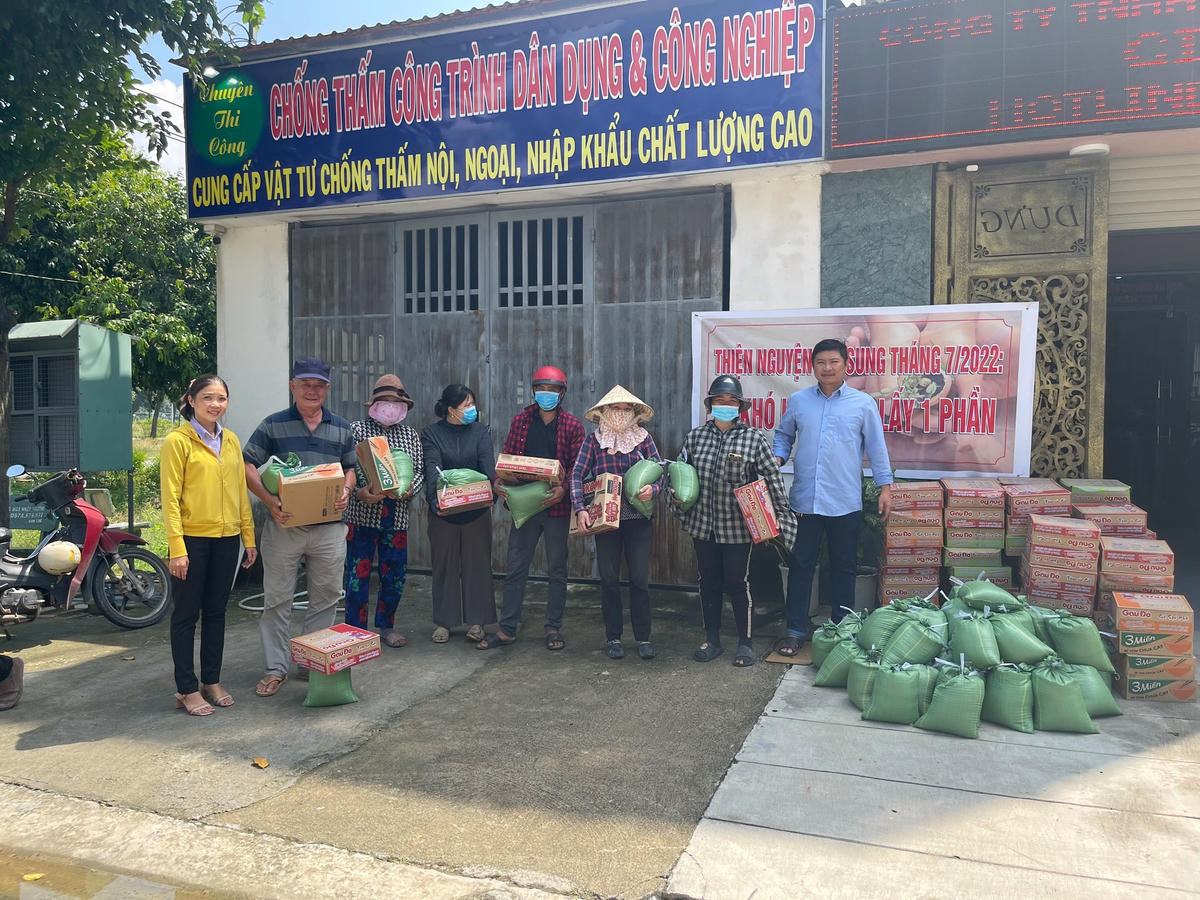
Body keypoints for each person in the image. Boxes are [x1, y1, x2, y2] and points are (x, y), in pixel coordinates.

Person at [772, 338, 893, 661]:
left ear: (845, 365)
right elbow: (784, 435)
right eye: (821, 362)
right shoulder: (798, 402)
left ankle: (843, 629)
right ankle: (796, 631)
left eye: (834, 362)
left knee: (844, 566)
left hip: (845, 501)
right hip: (805, 502)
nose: (827, 368)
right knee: (800, 566)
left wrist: (885, 487)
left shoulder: (862, 403)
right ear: (812, 367)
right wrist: (779, 457)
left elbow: (877, 448)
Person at [242, 357, 356, 697]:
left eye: (319, 385)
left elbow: (350, 468)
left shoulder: (341, 427)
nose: (312, 390)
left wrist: (347, 491)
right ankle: (275, 668)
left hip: (329, 529)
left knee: (326, 598)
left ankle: (311, 662)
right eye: (305, 384)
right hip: (285, 526)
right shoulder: (273, 425)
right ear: (293, 386)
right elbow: (248, 464)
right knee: (277, 600)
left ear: (327, 389)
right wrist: (268, 500)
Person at [676, 375, 795, 668]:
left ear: (740, 407)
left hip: (738, 527)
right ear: (711, 405)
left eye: (731, 402)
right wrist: (677, 499)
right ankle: (712, 639)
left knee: (737, 582)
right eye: (719, 401)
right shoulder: (695, 438)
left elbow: (772, 480)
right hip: (703, 524)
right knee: (708, 581)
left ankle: (745, 642)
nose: (725, 406)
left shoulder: (753, 439)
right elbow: (680, 473)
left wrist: (778, 517)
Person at [161, 374, 258, 715]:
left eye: (221, 398)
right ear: (191, 400)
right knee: (186, 614)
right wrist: (177, 548)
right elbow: (170, 498)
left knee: (216, 613)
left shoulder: (230, 440)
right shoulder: (178, 441)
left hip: (227, 538)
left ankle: (211, 681)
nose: (215, 404)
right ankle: (186, 688)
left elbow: (238, 492)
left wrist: (248, 537)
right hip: (192, 539)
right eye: (207, 398)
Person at [483, 365, 585, 651]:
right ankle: (507, 629)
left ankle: (553, 628)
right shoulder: (522, 421)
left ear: (562, 393)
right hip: (525, 506)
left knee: (557, 569)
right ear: (533, 391)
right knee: (516, 567)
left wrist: (564, 491)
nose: (546, 394)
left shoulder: (572, 426)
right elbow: (508, 459)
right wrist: (499, 481)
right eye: (541, 389)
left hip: (556, 508)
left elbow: (577, 468)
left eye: (552, 390)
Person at [570, 385, 662, 661]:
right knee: (609, 579)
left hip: (638, 519)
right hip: (605, 519)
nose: (621, 414)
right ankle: (613, 637)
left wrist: (652, 490)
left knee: (639, 580)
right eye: (616, 409)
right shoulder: (594, 441)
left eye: (626, 409)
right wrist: (580, 509)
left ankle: (643, 637)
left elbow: (660, 471)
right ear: (605, 412)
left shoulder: (643, 438)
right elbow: (576, 475)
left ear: (634, 413)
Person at [344, 375, 424, 649]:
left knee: (395, 573)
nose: (390, 406)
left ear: (403, 406)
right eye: (385, 401)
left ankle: (386, 626)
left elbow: (420, 470)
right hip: (362, 512)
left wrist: (413, 487)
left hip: (397, 514)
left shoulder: (410, 435)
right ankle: (356, 631)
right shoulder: (356, 430)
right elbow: (348, 467)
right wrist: (360, 492)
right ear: (374, 404)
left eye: (395, 402)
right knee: (357, 573)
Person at [421, 384, 497, 643]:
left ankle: (478, 622)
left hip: (476, 511)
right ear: (451, 410)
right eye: (466, 406)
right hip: (444, 513)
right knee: (445, 566)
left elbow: (488, 465)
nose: (471, 410)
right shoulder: (432, 433)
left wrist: (491, 495)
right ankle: (445, 622)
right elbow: (432, 467)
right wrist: (434, 500)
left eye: (473, 404)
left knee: (478, 566)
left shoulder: (480, 432)